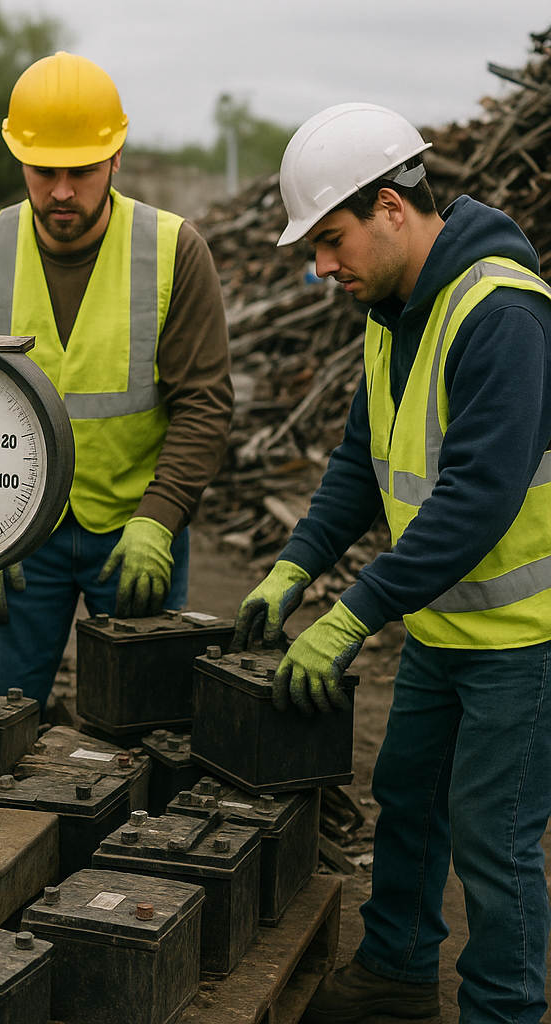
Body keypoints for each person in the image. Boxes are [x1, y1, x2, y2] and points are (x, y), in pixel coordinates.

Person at [232, 102, 551, 1024]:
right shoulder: (392, 312)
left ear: (392, 208)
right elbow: (357, 467)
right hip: (445, 627)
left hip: (524, 643)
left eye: (332, 240)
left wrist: (350, 613)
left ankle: (503, 1010)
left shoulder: (502, 317)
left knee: (497, 843)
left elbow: (478, 500)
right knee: (406, 800)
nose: (320, 266)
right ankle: (400, 973)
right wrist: (295, 567)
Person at [0, 51, 233, 710]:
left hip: (133, 531)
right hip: (9, 533)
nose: (62, 191)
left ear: (117, 158)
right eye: (44, 171)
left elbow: (203, 404)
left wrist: (161, 518)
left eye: (82, 171)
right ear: (20, 162)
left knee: (148, 725)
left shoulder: (175, 250)